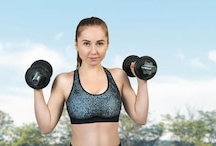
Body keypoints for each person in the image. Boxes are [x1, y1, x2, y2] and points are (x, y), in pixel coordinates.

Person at [34, 16, 149, 146]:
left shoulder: (118, 76)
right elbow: (46, 127)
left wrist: (142, 80)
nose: (93, 51)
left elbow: (140, 118)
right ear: (76, 44)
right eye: (86, 43)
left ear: (107, 45)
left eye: (99, 43)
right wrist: (37, 88)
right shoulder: (64, 81)